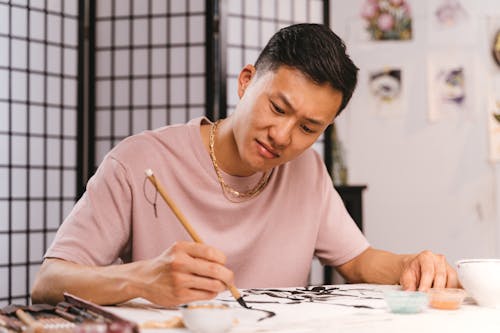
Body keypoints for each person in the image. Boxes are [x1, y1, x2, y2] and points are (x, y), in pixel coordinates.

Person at [31, 23, 459, 307]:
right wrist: (141, 280)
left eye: (309, 127)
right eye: (277, 107)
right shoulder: (139, 160)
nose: (283, 136)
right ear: (246, 81)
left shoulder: (306, 170)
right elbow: (49, 282)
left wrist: (411, 265)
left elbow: (358, 261)